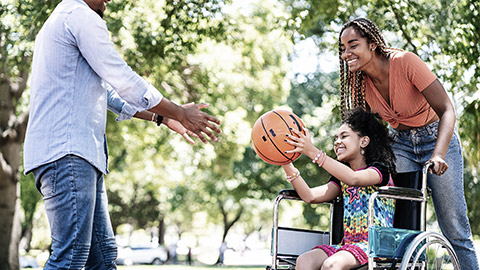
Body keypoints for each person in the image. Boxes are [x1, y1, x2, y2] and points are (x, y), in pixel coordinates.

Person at [23, 0, 221, 268]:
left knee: (102, 259)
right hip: (68, 153)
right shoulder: (80, 16)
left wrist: (163, 116)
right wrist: (180, 112)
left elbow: (110, 94)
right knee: (70, 258)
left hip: (75, 154)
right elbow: (124, 80)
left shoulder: (61, 19)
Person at [337, 17, 479, 269]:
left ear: (372, 44)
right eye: (343, 48)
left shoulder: (405, 62)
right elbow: (367, 131)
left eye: (353, 45)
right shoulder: (361, 82)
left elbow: (447, 109)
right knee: (401, 222)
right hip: (400, 144)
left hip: (436, 138)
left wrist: (439, 154)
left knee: (454, 227)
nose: (346, 53)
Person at [282, 108, 396, 269]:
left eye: (344, 136)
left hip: (375, 246)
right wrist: (285, 161)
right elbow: (309, 196)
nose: (337, 142)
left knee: (331, 264)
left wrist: (313, 152)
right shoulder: (341, 179)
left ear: (364, 141)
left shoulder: (379, 171)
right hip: (347, 246)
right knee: (304, 260)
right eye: (336, 138)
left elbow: (354, 178)